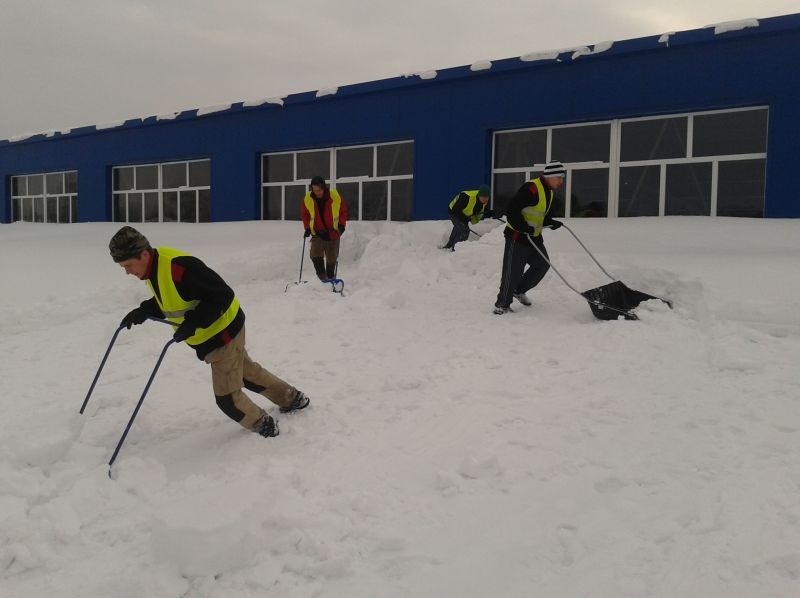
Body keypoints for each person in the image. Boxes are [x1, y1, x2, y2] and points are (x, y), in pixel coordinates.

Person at [109, 226, 309, 438]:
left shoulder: (178, 267)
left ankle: (265, 426)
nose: (127, 271)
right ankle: (292, 398)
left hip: (222, 333)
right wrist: (145, 310)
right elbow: (176, 298)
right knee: (246, 373)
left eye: (128, 265)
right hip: (215, 334)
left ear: (144, 254)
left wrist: (194, 322)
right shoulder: (153, 269)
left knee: (227, 398)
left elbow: (221, 295)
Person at [493, 161, 566, 315]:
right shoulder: (532, 188)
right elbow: (512, 211)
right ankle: (502, 305)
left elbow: (539, 215)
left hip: (534, 238)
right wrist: (523, 228)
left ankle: (518, 290)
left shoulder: (550, 192)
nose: (561, 181)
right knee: (513, 271)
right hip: (517, 237)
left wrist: (551, 222)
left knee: (542, 265)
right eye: (560, 177)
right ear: (551, 176)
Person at [301, 176, 348, 280]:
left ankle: (331, 278)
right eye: (314, 190)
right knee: (315, 255)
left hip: (332, 232)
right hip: (317, 233)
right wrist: (307, 227)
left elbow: (343, 211)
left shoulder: (335, 197)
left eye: (319, 190)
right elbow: (305, 214)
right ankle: (322, 279)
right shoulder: (308, 198)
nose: (317, 192)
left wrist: (341, 225)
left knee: (332, 258)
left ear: (323, 188)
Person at [441, 184, 494, 251]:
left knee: (459, 227)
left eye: (487, 197)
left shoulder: (484, 201)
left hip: (464, 214)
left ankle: (449, 245)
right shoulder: (467, 197)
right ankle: (456, 250)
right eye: (483, 197)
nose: (485, 199)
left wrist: (489, 214)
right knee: (464, 230)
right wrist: (464, 218)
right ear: (479, 195)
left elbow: (478, 212)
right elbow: (455, 210)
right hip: (453, 211)